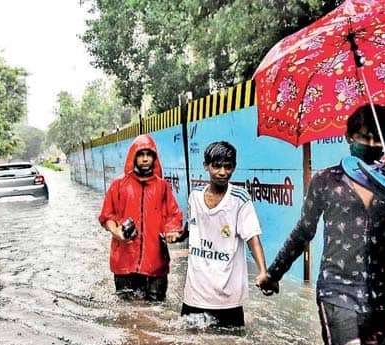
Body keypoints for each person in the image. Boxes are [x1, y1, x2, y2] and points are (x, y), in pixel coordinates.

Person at [260, 104, 385, 345]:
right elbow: (304, 230)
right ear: (349, 137)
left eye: (378, 138)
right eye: (364, 137)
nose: (371, 144)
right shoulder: (326, 180)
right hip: (337, 294)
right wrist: (273, 274)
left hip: (379, 300)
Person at [181, 141, 268, 328]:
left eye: (228, 167)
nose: (222, 172)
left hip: (228, 297)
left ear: (234, 168)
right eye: (216, 166)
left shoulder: (240, 199)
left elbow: (253, 238)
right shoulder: (195, 196)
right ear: (206, 166)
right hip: (195, 294)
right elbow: (191, 227)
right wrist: (176, 236)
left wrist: (263, 271)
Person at [98, 134, 184, 302]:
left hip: (156, 263)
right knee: (126, 313)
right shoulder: (118, 185)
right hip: (124, 261)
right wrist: (116, 232)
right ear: (133, 156)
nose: (145, 159)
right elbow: (107, 215)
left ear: (154, 158)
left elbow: (173, 216)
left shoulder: (162, 186)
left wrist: (173, 233)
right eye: (141, 154)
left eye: (149, 155)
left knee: (157, 311)